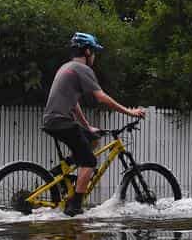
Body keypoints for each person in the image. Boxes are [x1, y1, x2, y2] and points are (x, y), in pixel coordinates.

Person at [43, 32, 145, 216]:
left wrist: (88, 126)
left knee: (92, 139)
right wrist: (130, 112)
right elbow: (101, 97)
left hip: (54, 121)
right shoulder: (82, 69)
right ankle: (74, 207)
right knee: (89, 161)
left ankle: (61, 172)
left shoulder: (66, 67)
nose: (95, 57)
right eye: (95, 52)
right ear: (87, 51)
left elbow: (74, 103)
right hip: (61, 121)